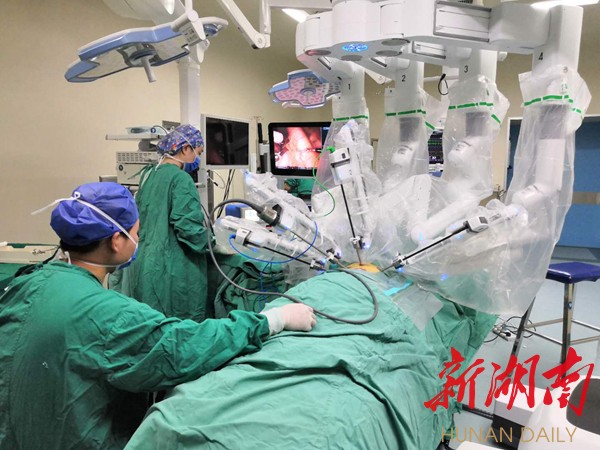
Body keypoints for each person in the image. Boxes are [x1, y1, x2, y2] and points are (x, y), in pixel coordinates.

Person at [0, 182, 316, 450]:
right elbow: (183, 347)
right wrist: (274, 319)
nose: (138, 240)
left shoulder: (26, 283)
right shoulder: (107, 315)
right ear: (116, 241)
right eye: (136, 232)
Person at [126, 124, 212, 321]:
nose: (197, 160)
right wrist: (212, 243)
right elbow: (188, 228)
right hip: (172, 267)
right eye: (198, 153)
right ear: (186, 148)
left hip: (146, 262)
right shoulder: (181, 179)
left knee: (151, 321)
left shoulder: (148, 175)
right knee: (179, 323)